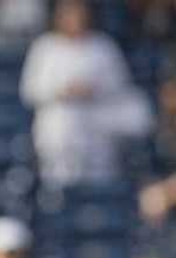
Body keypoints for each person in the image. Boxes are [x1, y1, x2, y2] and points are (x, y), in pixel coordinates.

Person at [20, 0, 152, 186]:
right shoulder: (44, 47)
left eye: (78, 14)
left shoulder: (103, 46)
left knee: (100, 183)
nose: (74, 19)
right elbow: (30, 91)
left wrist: (91, 90)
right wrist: (62, 91)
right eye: (68, 14)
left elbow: (121, 88)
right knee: (57, 183)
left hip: (97, 129)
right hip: (57, 130)